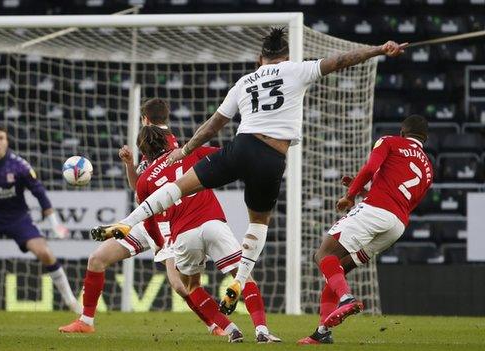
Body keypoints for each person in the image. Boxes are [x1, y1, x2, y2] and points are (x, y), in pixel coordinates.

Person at [92, 27, 407, 313]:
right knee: (259, 224)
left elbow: (215, 124)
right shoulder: (297, 70)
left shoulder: (245, 82)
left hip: (239, 147)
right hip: (270, 158)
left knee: (179, 186)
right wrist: (379, 49)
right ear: (286, 56)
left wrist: (184, 151)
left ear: (260, 59)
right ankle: (238, 282)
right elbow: (340, 61)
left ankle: (125, 223)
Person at [97, 126, 282, 343]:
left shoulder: (145, 179)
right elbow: (228, 157)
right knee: (242, 277)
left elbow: (147, 215)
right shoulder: (190, 153)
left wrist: (160, 244)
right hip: (212, 222)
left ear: (143, 151)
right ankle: (261, 331)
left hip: (183, 235)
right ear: (168, 141)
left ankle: (231, 330)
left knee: (191, 286)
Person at [58, 99, 225, 336]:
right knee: (97, 259)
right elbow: (140, 188)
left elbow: (149, 187)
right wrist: (129, 164)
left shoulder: (159, 141)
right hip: (148, 221)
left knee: (180, 284)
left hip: (169, 223)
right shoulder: (161, 143)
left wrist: (159, 242)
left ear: (144, 119)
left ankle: (217, 326)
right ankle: (86, 321)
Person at [297, 115, 432, 344]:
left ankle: (346, 298)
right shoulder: (428, 168)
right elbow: (399, 195)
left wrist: (350, 196)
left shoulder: (389, 141)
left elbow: (371, 167)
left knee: (323, 255)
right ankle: (322, 332)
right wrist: (360, 187)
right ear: (425, 138)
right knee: (336, 271)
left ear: (402, 131)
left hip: (375, 211)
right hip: (397, 225)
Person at [0, 124, 80, 314]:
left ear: (6, 142)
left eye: (1, 138)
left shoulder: (19, 166)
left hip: (18, 217)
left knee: (45, 253)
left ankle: (72, 302)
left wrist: (55, 223)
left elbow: (39, 193)